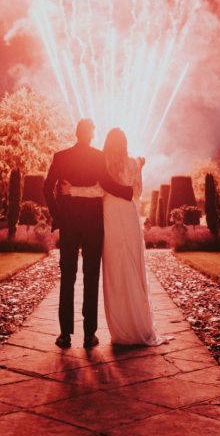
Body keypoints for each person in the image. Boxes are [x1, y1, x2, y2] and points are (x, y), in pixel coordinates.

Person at [62, 127, 165, 346]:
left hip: (110, 217)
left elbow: (98, 191)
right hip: (129, 216)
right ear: (125, 143)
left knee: (115, 272)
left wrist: (72, 190)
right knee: (133, 268)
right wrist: (139, 168)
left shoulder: (104, 163)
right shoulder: (133, 164)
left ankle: (122, 329)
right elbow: (137, 193)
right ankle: (140, 324)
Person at [43, 118, 134, 349]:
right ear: (91, 134)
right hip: (93, 225)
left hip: (70, 224)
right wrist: (128, 190)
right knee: (91, 278)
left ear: (76, 133)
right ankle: (88, 334)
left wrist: (58, 215)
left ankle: (65, 334)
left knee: (68, 278)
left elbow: (46, 188)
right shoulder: (97, 157)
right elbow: (105, 184)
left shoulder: (61, 157)